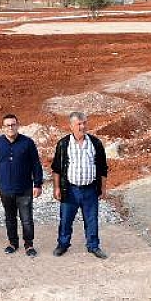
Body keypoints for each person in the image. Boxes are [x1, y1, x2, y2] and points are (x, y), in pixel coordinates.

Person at [51, 111, 109, 259]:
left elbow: (103, 168)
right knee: (66, 220)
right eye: (79, 124)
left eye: (84, 123)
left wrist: (103, 188)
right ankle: (63, 244)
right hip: (70, 189)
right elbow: (57, 168)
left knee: (92, 219)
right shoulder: (63, 144)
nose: (82, 126)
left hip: (90, 190)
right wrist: (57, 188)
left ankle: (93, 246)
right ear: (71, 126)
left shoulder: (95, 143)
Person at [0, 114, 43, 257]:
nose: (10, 127)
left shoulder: (27, 143)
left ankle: (29, 244)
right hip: (5, 189)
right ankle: (13, 243)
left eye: (13, 124)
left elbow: (36, 164)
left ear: (17, 125)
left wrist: (38, 184)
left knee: (27, 219)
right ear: (3, 127)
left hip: (25, 189)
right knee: (10, 218)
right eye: (7, 125)